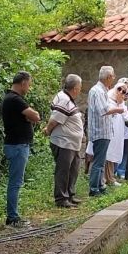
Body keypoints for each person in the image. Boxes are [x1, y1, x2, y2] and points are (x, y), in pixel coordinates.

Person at [1, 71, 41, 227]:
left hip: (17, 144)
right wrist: (30, 116)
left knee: (16, 181)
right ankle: (12, 217)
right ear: (23, 83)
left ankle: (13, 215)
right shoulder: (15, 99)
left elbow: (32, 116)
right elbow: (36, 116)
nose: (29, 88)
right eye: (29, 84)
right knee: (15, 182)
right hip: (17, 145)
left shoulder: (11, 99)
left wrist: (28, 116)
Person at [43, 74, 84, 208]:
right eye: (80, 87)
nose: (80, 90)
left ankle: (70, 194)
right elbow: (54, 120)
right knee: (63, 171)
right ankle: (61, 198)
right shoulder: (64, 100)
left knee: (73, 170)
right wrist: (47, 130)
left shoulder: (67, 98)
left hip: (71, 143)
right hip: (64, 142)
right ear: (75, 88)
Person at [87, 66, 124, 196]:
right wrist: (118, 109)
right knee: (98, 162)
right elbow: (103, 110)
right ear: (108, 77)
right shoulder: (97, 91)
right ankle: (94, 188)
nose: (114, 78)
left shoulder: (103, 90)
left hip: (104, 131)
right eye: (113, 76)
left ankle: (100, 185)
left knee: (101, 161)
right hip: (100, 131)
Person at [115, 77, 128, 179]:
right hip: (117, 127)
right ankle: (114, 170)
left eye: (127, 86)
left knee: (126, 150)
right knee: (116, 148)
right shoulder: (114, 97)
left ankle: (121, 170)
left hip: (127, 128)